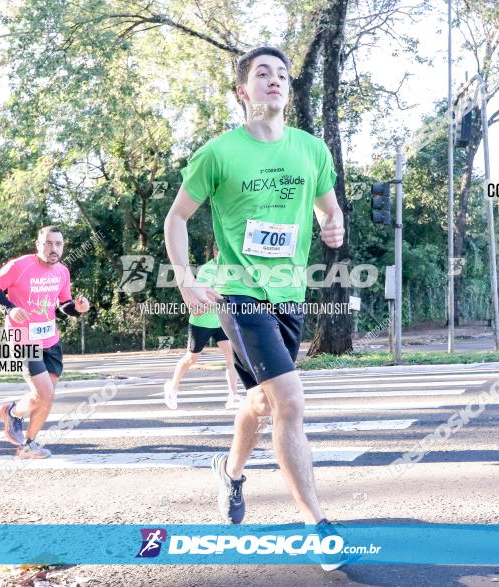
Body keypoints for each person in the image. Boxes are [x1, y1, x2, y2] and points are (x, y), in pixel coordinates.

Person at [164, 46, 351, 569]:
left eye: (282, 75)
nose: (274, 81)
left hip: (288, 294)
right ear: (243, 91)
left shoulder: (311, 151)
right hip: (238, 292)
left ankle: (230, 470)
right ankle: (317, 526)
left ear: (288, 90)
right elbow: (176, 218)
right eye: (261, 74)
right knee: (290, 402)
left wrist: (333, 224)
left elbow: (327, 208)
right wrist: (184, 280)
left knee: (263, 403)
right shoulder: (219, 153)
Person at [0, 226, 90, 459]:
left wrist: (78, 309)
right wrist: (10, 310)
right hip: (23, 338)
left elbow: (64, 303)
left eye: (59, 244)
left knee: (44, 395)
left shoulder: (62, 272)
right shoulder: (20, 266)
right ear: (38, 244)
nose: (54, 249)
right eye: (49, 243)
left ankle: (19, 425)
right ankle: (21, 429)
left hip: (50, 339)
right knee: (44, 393)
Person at [163, 244, 241, 410]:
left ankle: (233, 396)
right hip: (202, 321)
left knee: (231, 358)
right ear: (216, 252)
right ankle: (173, 387)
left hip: (222, 320)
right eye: (225, 252)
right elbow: (202, 294)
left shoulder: (231, 269)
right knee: (191, 358)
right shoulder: (207, 269)